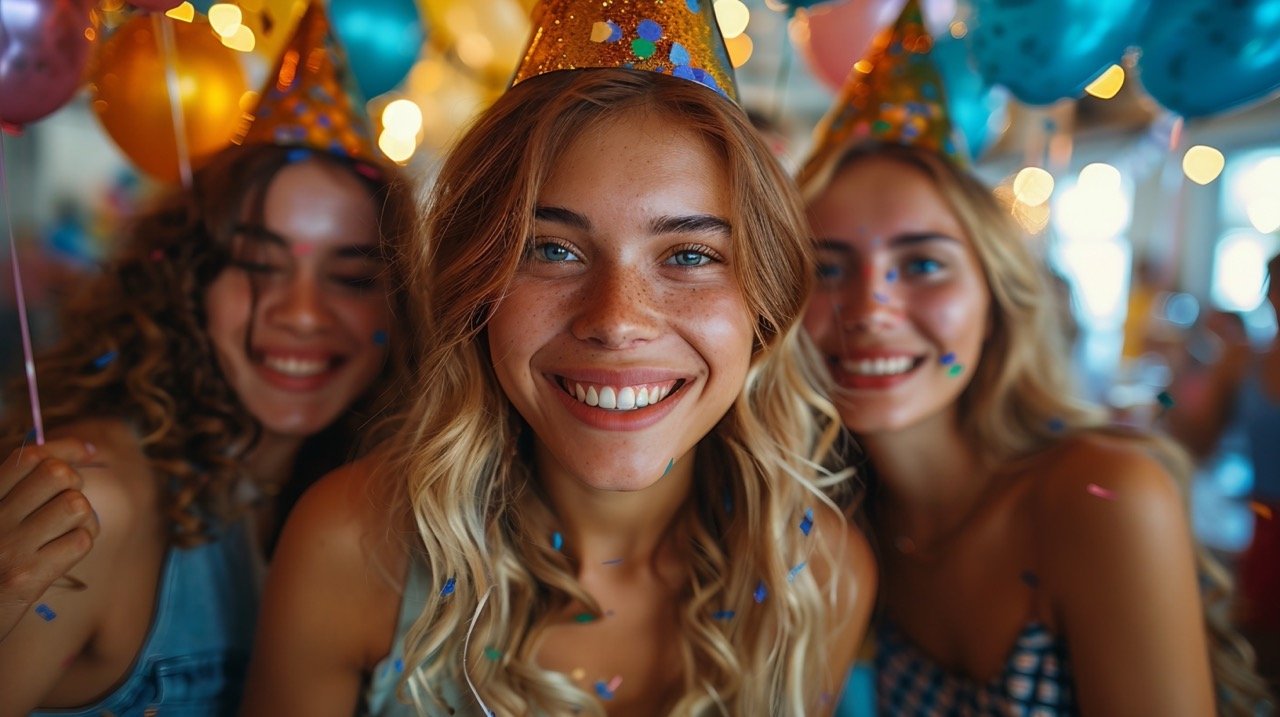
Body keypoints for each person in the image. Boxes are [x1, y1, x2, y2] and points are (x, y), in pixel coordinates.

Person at [241, 3, 876, 714]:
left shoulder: (820, 575)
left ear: (765, 300)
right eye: (551, 250)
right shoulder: (356, 549)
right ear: (475, 288)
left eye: (690, 255)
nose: (615, 320)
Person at [802, 3, 1271, 714]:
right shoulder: (833, 523)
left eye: (923, 263)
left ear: (995, 299)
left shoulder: (1101, 496)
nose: (869, 309)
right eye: (827, 269)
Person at [0, 6, 419, 714]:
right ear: (188, 282)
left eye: (351, 276)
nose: (302, 312)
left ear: (402, 309)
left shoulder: (360, 512)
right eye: (257, 263)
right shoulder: (94, 505)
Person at [1169, 254, 1280, 693]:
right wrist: (1183, 371)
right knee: (1261, 654)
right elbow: (1195, 442)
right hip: (1264, 529)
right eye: (1275, 287)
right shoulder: (1244, 361)